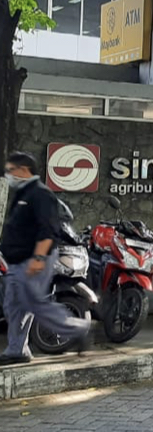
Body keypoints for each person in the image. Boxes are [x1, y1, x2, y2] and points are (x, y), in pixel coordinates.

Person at [0, 152, 92, 365]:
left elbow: (47, 230)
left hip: (34, 259)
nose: (8, 174)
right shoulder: (23, 193)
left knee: (34, 303)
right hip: (16, 261)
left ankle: (79, 329)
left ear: (23, 170)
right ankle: (17, 350)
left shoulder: (41, 194)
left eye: (11, 170)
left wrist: (39, 258)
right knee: (14, 306)